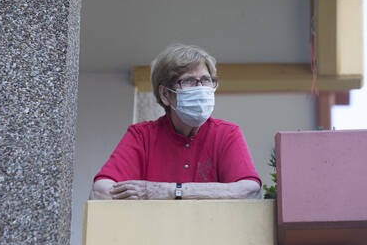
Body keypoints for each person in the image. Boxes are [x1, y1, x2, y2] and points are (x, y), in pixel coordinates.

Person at [90, 44, 261, 200]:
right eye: (188, 81)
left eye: (206, 80)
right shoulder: (142, 136)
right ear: (165, 94)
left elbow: (250, 190)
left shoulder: (226, 133)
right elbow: (101, 190)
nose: (200, 87)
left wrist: (174, 191)